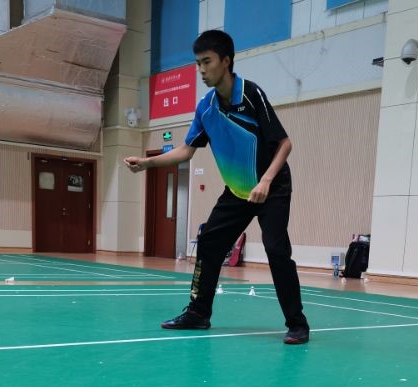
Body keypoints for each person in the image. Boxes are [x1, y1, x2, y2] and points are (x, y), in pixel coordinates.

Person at [125, 30, 310, 345]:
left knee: (276, 250)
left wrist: (266, 181)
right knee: (209, 241)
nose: (201, 70)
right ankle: (198, 313)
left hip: (272, 186)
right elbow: (186, 150)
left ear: (226, 61)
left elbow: (284, 144)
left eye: (206, 62)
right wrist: (148, 162)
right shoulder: (206, 107)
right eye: (197, 63)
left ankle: (297, 323)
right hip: (238, 191)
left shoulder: (251, 95)